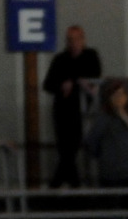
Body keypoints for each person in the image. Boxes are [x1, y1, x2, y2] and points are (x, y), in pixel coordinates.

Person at [43, 26, 102, 188]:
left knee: (70, 150)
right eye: (70, 40)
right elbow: (48, 84)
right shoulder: (60, 59)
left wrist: (74, 82)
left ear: (83, 40)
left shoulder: (90, 56)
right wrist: (63, 85)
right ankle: (72, 187)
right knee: (65, 150)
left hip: (80, 111)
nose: (73, 43)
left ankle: (57, 186)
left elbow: (94, 77)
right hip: (62, 110)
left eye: (76, 39)